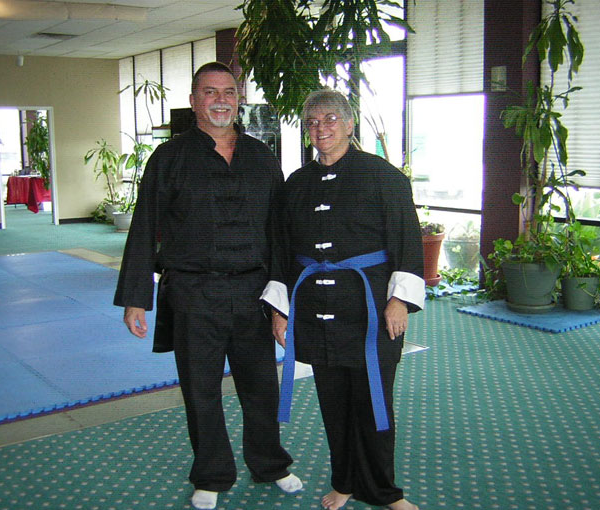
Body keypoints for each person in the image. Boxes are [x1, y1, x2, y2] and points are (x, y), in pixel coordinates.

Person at [114, 61, 301, 510]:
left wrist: (281, 302)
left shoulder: (261, 157)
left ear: (239, 100)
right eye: (210, 92)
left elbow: (279, 234)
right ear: (194, 100)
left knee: (261, 386)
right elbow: (144, 227)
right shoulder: (169, 158)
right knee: (200, 391)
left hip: (253, 293)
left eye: (229, 92)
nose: (221, 100)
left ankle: (270, 464)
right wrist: (136, 299)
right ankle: (212, 474)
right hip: (193, 293)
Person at [261, 89, 424, 510]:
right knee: (334, 405)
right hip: (316, 312)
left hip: (370, 311)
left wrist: (399, 301)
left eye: (330, 119)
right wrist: (280, 310)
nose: (321, 129)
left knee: (374, 404)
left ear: (350, 124)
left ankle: (385, 492)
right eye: (313, 122)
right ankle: (345, 482)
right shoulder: (296, 184)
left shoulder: (384, 177)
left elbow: (407, 241)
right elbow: (280, 251)